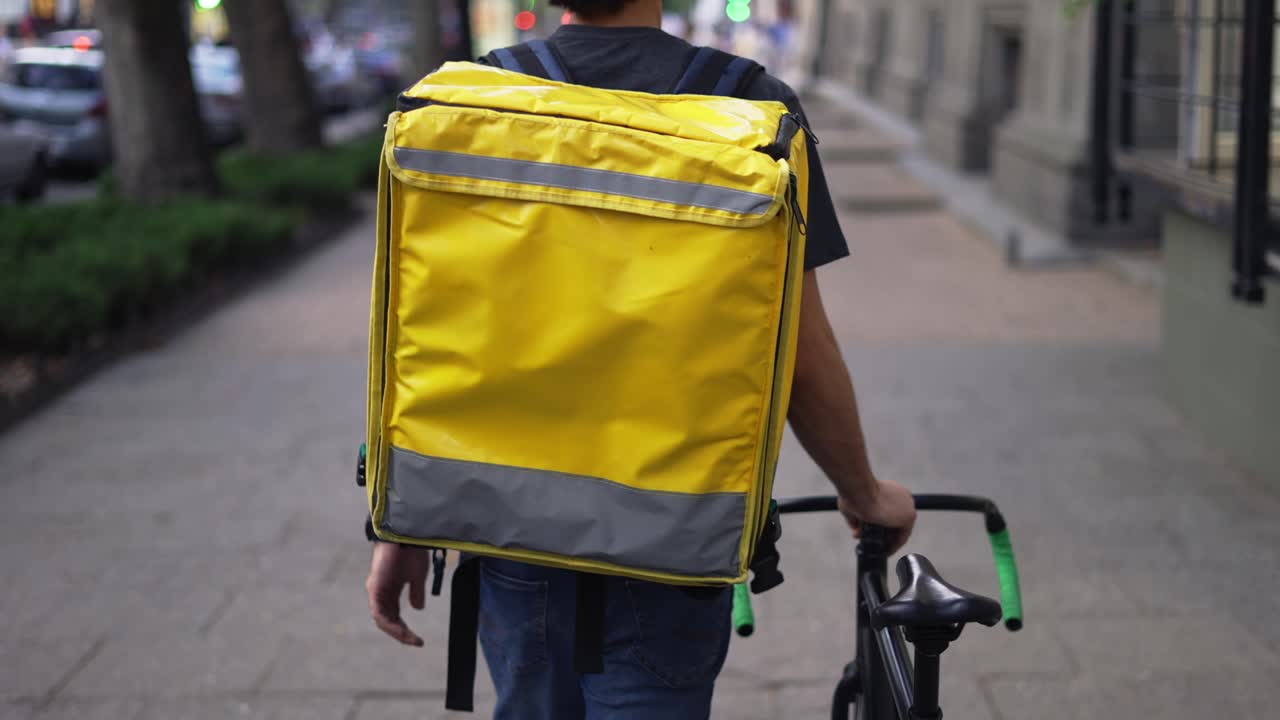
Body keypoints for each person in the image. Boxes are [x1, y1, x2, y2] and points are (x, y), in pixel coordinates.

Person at [366, 1, 918, 717]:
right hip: (673, 538)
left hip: (507, 534)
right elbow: (802, 358)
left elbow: (419, 331)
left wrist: (398, 520)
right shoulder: (750, 106)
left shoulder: (475, 99)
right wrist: (862, 492)